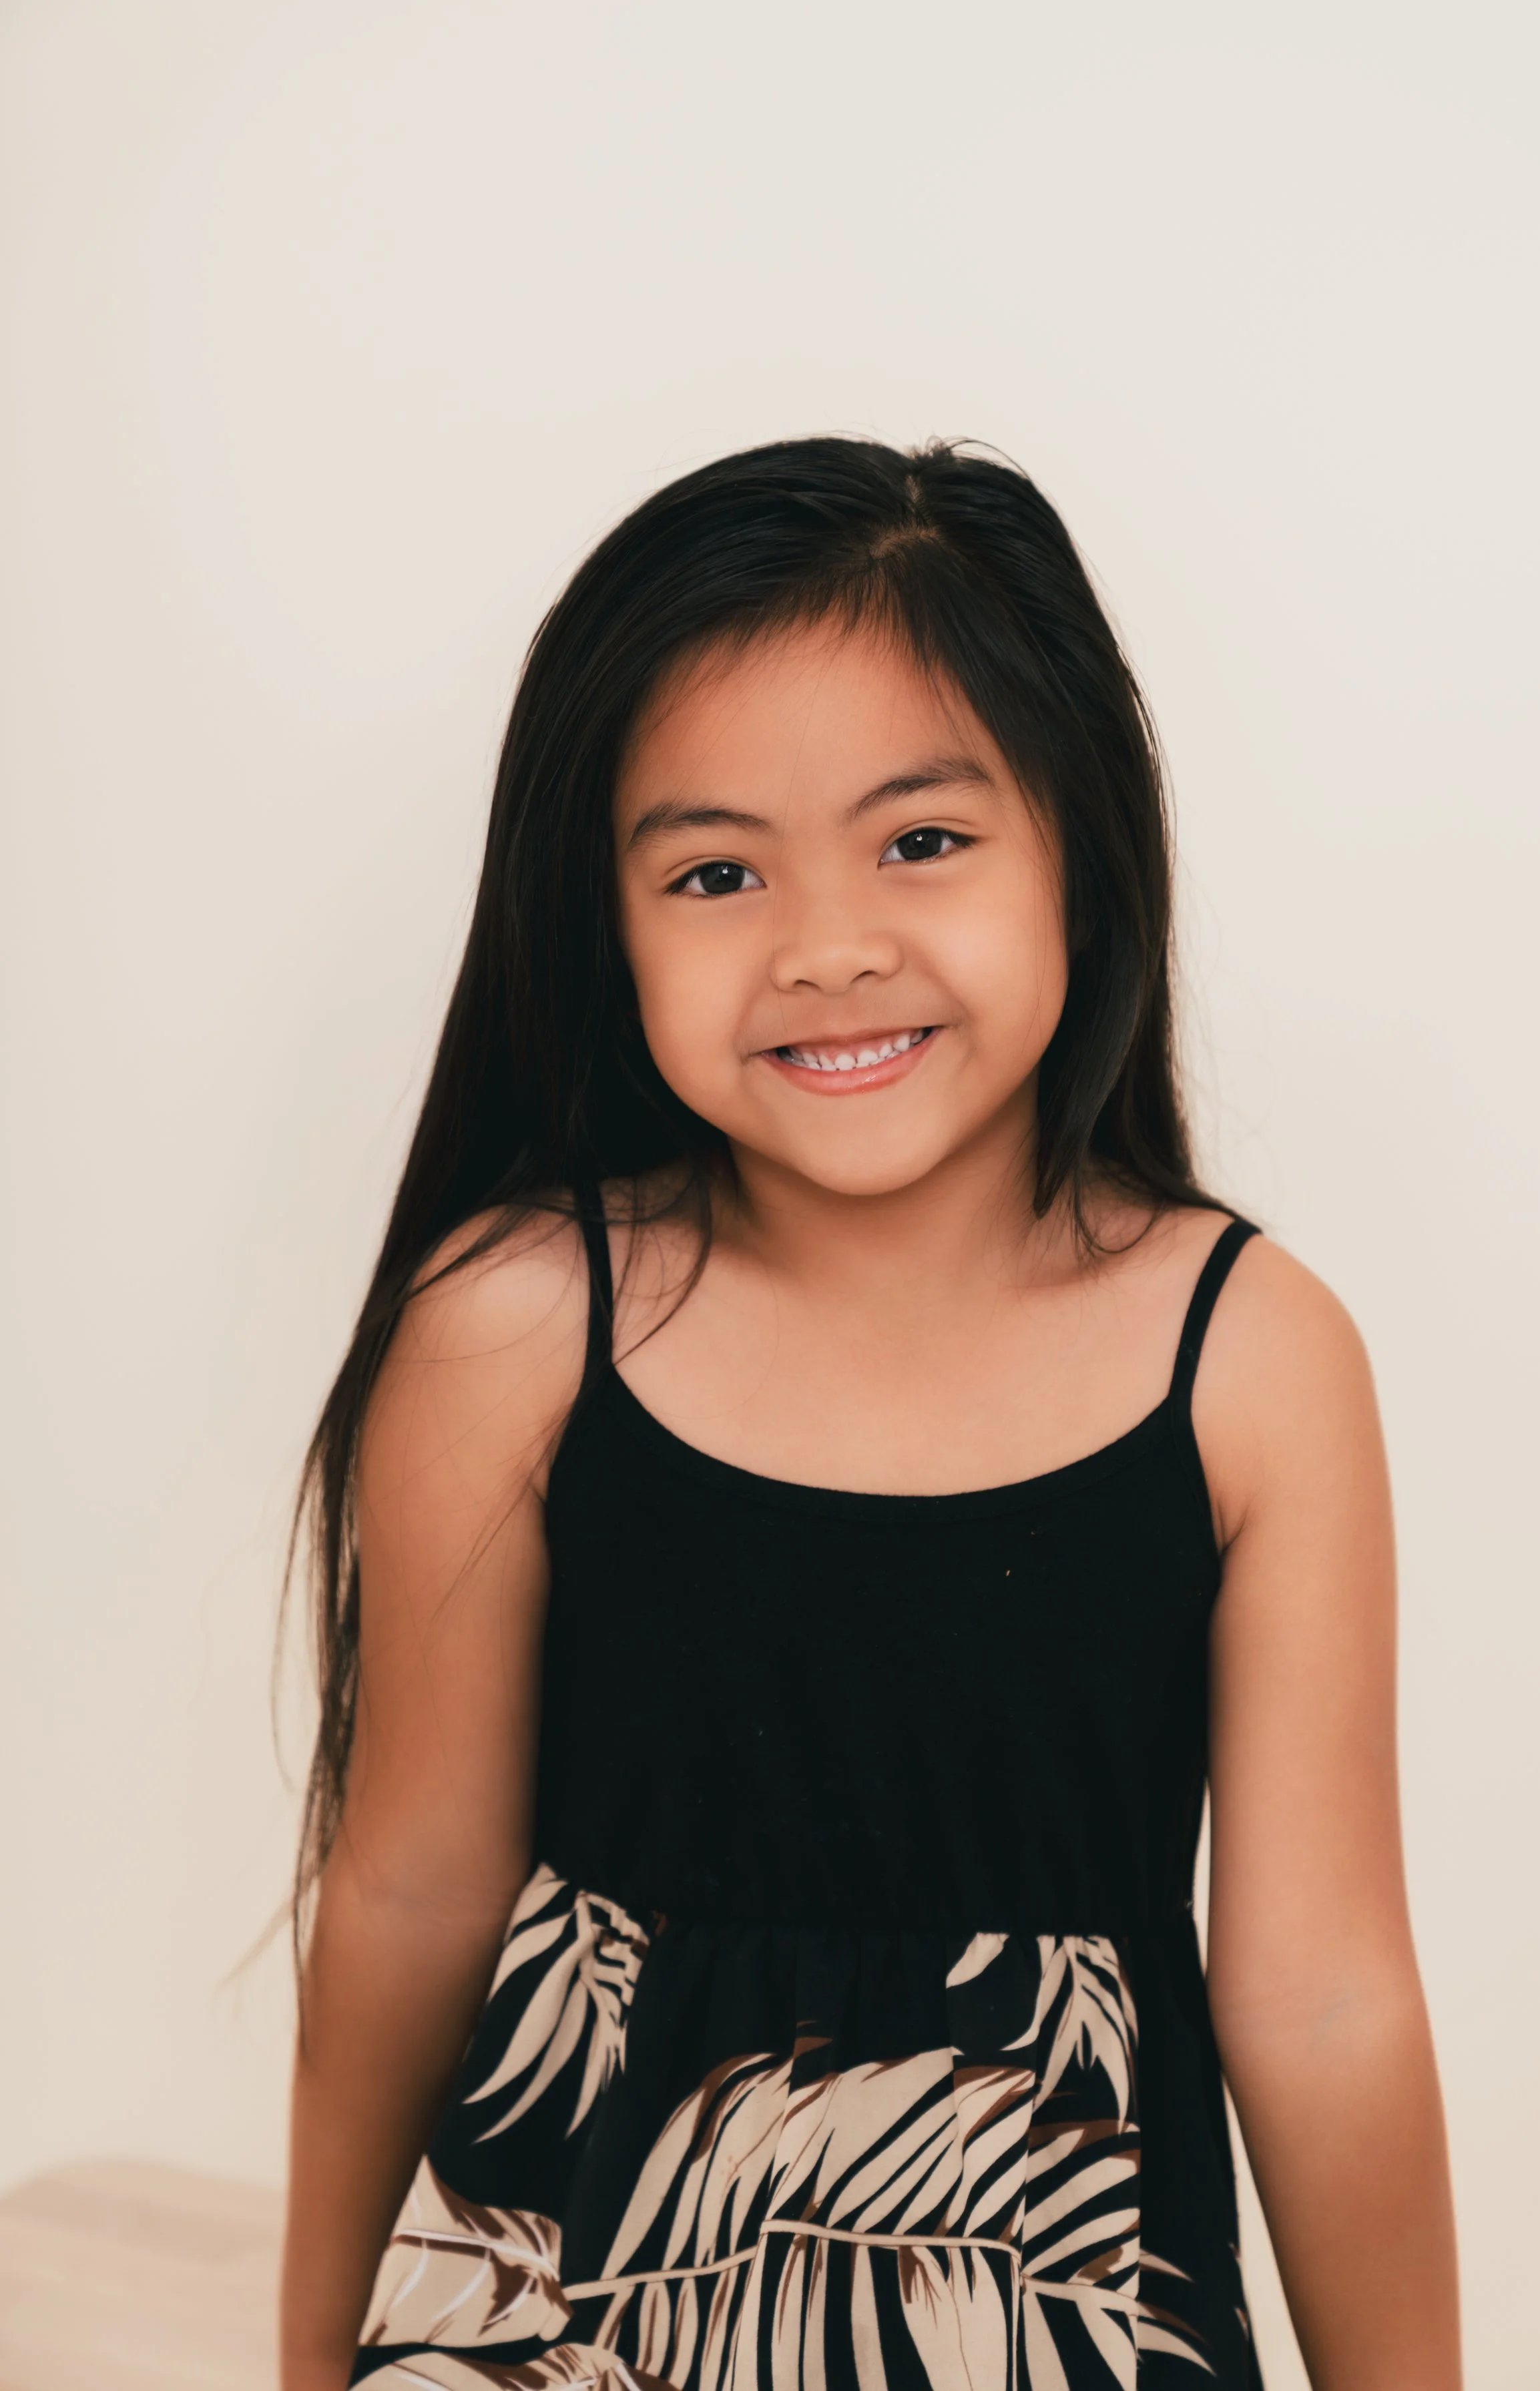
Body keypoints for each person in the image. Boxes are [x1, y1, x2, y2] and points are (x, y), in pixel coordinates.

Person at [278, 439, 1462, 2390]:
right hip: (576, 2327)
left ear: (1082, 838)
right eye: (717, 871)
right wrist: (309, 2361)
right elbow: (410, 1887)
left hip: (1047, 2316)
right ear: (608, 923)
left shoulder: (1249, 1359)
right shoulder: (517, 1329)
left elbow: (1321, 1995)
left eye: (919, 838)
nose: (823, 944)